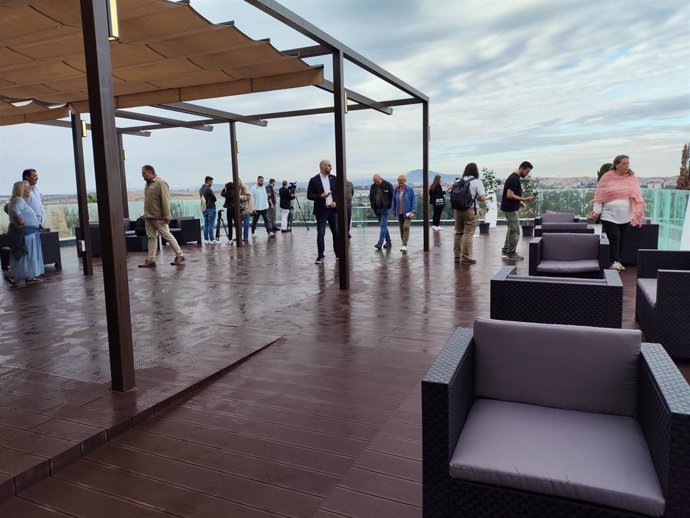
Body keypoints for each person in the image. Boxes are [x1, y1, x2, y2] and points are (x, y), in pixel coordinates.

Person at [590, 155, 644, 271]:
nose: (626, 166)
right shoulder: (607, 177)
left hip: (626, 214)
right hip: (609, 214)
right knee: (615, 236)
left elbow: (636, 193)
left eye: (628, 164)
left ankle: (615, 261)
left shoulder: (631, 177)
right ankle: (614, 261)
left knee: (622, 239)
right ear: (616, 164)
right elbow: (600, 194)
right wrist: (597, 211)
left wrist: (638, 207)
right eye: (624, 164)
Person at [139, 164, 184, 267]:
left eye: (144, 173)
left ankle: (179, 254)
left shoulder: (161, 183)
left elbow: (165, 200)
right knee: (151, 237)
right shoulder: (147, 184)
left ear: (150, 172)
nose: (142, 176)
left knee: (167, 236)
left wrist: (167, 216)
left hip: (158, 217)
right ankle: (151, 259)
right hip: (148, 217)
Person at [5, 180, 44, 285]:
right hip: (26, 233)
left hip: (29, 233)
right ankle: (12, 274)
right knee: (25, 255)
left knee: (28, 255)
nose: (30, 190)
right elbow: (14, 211)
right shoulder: (18, 200)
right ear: (22, 189)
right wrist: (19, 221)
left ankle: (29, 276)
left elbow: (7, 208)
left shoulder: (17, 200)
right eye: (28, 188)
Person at [500, 161, 534, 260]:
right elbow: (509, 195)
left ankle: (506, 249)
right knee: (515, 231)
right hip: (510, 208)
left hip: (509, 207)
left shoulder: (514, 177)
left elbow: (512, 194)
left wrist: (519, 202)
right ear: (522, 168)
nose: (527, 174)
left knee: (511, 229)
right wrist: (523, 199)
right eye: (526, 172)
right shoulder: (514, 179)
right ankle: (511, 253)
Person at [453, 163, 486, 264]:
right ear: (476, 171)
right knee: (468, 234)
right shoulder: (477, 182)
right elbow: (482, 198)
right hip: (470, 210)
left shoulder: (458, 181)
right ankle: (466, 257)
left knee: (458, 232)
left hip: (458, 210)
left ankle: (457, 256)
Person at [307, 159, 338, 264]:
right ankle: (320, 255)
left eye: (330, 165)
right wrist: (320, 196)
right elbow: (309, 195)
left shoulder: (334, 178)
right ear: (322, 167)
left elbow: (339, 192)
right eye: (329, 165)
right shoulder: (314, 180)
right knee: (321, 233)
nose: (331, 167)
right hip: (321, 210)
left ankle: (338, 254)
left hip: (333, 210)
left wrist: (335, 201)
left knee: (336, 232)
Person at [391, 174, 416, 253]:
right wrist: (394, 211)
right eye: (399, 181)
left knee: (406, 227)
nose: (401, 183)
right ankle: (403, 244)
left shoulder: (410, 190)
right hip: (399, 212)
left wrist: (413, 210)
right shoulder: (396, 190)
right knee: (401, 229)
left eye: (402, 181)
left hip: (408, 213)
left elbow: (414, 200)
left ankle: (404, 244)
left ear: (405, 181)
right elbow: (394, 201)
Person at [369, 174, 394, 250]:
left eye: (376, 181)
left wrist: (388, 205)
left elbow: (392, 196)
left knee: (383, 225)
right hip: (377, 209)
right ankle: (388, 241)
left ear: (380, 179)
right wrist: (373, 206)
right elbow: (371, 197)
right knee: (383, 225)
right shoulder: (373, 186)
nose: (376, 183)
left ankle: (380, 243)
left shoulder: (388, 185)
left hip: (385, 209)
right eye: (374, 181)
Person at [199, 175, 218, 244]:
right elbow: (214, 199)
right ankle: (212, 239)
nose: (212, 183)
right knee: (211, 225)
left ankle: (206, 240)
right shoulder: (208, 189)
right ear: (208, 181)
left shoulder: (201, 189)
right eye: (211, 182)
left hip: (204, 209)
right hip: (211, 208)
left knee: (206, 225)